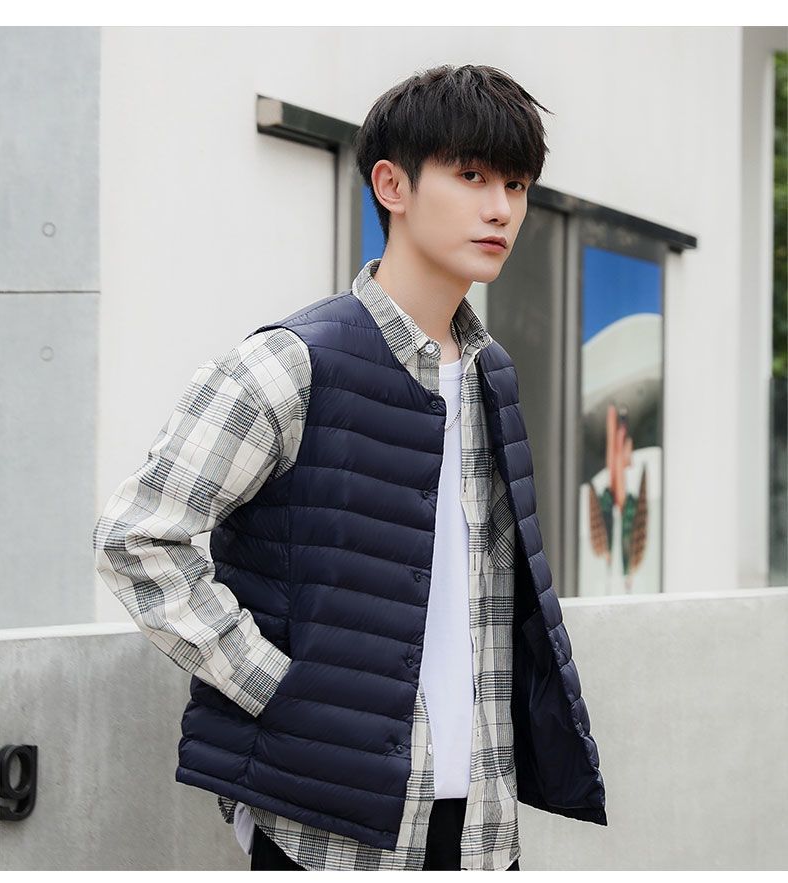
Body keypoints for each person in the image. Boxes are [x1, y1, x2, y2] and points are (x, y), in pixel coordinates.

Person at [93, 63, 606, 872]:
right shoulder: (290, 363)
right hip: (330, 832)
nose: (501, 208)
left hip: (482, 825)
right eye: (472, 176)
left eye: (516, 184)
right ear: (392, 185)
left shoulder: (492, 374)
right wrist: (278, 688)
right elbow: (137, 538)